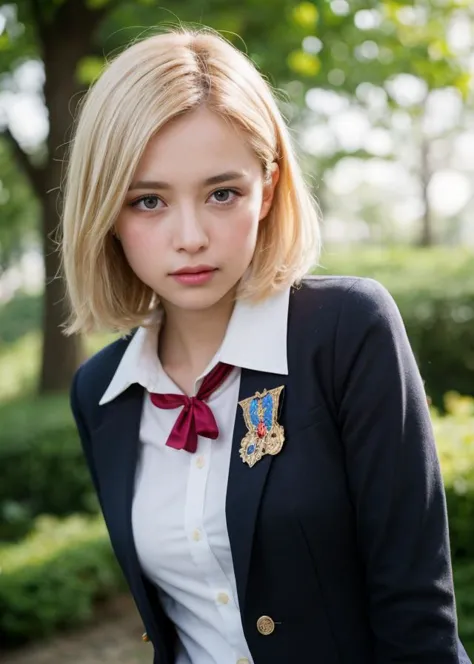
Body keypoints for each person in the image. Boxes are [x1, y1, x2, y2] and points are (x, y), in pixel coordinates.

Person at [62, 27, 470, 664]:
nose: (190, 236)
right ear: (106, 212)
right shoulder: (100, 393)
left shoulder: (346, 330)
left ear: (268, 187)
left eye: (222, 193)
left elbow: (416, 614)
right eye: (148, 201)